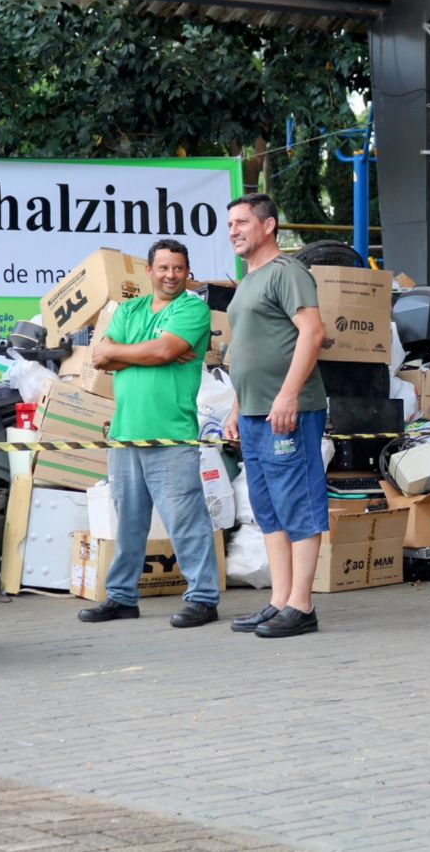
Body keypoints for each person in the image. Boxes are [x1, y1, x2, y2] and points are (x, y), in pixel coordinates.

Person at [78, 240, 220, 628]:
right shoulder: (129, 309)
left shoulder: (193, 308)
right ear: (149, 271)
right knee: (128, 522)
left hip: (170, 433)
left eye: (178, 268)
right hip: (125, 434)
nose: (171, 275)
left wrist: (128, 353)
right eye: (163, 268)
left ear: (187, 272)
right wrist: (151, 350)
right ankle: (122, 597)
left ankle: (204, 598)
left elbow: (159, 352)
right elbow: (99, 356)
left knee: (185, 520)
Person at [223, 193, 329, 639]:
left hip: (289, 412)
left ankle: (302, 606)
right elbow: (249, 350)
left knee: (298, 502)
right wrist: (235, 406)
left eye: (242, 221)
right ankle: (279, 601)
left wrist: (287, 396)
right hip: (253, 413)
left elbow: (313, 332)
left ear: (268, 226)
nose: (233, 230)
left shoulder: (288, 272)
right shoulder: (248, 281)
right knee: (268, 508)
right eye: (230, 223)